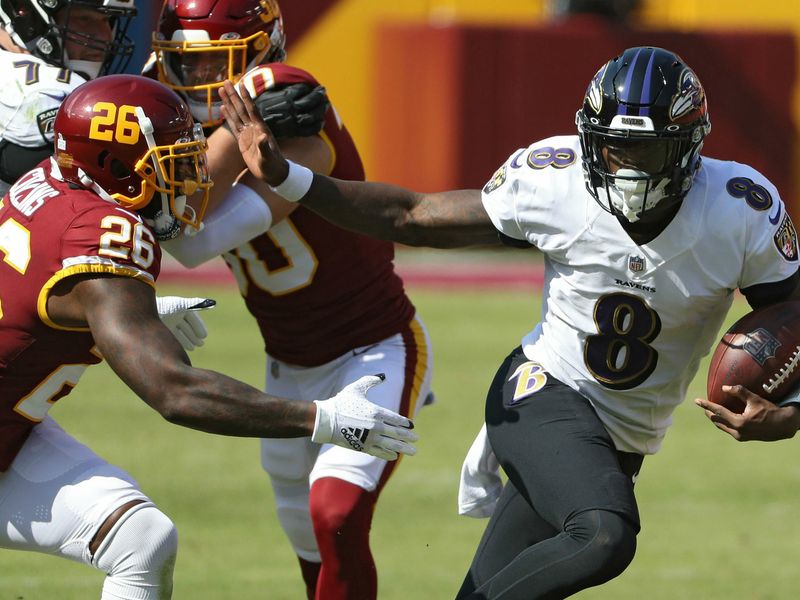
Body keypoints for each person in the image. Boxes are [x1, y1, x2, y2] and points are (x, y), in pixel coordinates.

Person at [221, 45, 800, 598]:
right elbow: (413, 215)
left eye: (642, 151)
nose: (624, 167)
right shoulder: (558, 179)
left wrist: (793, 415)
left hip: (621, 437)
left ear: (688, 146)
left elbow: (794, 312)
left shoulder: (739, 211)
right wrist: (287, 179)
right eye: (612, 147)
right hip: (542, 393)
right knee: (604, 536)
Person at [0, 74, 418, 599]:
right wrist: (321, 417)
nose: (192, 178)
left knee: (141, 540)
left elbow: (39, 289)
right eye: (172, 163)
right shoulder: (106, 237)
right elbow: (176, 392)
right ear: (117, 167)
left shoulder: (49, 181)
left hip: (13, 425)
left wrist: (129, 310)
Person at [148, 2, 434, 598]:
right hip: (285, 365)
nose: (201, 84)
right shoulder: (173, 114)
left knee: (337, 514)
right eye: (187, 66)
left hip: (371, 347)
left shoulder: (289, 101)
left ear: (261, 49)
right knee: (307, 537)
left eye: (214, 65)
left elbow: (191, 239)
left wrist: (217, 137)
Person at [0, 0, 138, 196]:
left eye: (107, 20)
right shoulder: (42, 93)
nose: (105, 36)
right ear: (24, 11)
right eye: (84, 18)